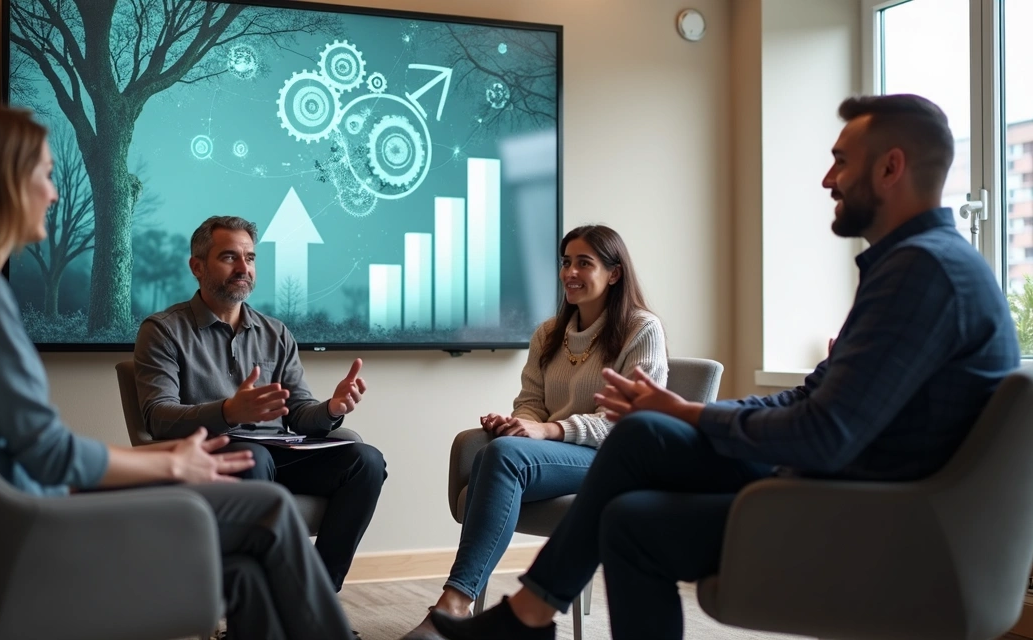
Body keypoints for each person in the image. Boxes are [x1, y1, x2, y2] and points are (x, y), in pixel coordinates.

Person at [427, 93, 1022, 640]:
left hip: (868, 513)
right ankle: (529, 615)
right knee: (638, 459)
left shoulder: (924, 273)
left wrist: (690, 414)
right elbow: (811, 398)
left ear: (891, 168)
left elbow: (824, 433)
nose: (827, 178)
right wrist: (690, 412)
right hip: (843, 482)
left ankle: (527, 615)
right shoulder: (912, 266)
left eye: (841, 162)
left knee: (632, 509)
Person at [0, 105, 355, 640]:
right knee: (272, 509)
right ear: (0, 181)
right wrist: (169, 466)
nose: (53, 192)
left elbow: (23, 448)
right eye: (44, 174)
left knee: (248, 575)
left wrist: (168, 454)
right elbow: (49, 454)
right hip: (23, 531)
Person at [402, 225, 668, 639]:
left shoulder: (641, 329)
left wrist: (548, 430)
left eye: (584, 263)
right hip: (561, 454)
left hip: (617, 458)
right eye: (565, 263)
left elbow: (628, 421)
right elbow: (531, 400)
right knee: (502, 448)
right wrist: (518, 424)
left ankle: (454, 605)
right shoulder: (548, 333)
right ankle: (463, 608)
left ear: (614, 273)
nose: (570, 273)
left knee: (505, 455)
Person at [133, 215, 387, 592]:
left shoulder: (276, 332)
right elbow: (158, 417)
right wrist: (227, 412)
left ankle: (314, 594)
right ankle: (253, 611)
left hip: (277, 454)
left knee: (366, 461)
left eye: (250, 258)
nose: (243, 268)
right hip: (213, 456)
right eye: (230, 257)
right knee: (255, 459)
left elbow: (299, 413)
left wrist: (332, 408)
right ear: (197, 266)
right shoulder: (163, 330)